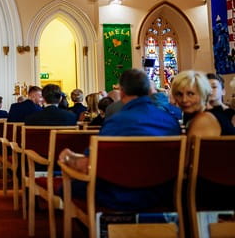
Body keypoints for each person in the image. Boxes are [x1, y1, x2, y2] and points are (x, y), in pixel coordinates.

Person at [58, 69, 181, 211]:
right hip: (163, 193)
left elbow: (91, 162)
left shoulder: (116, 121)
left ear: (122, 91)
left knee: (66, 188)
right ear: (149, 90)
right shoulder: (170, 121)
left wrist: (69, 158)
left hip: (120, 194)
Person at [174, 71, 234, 137]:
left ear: (204, 94)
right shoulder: (209, 114)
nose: (184, 100)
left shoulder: (204, 120)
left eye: (190, 94)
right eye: (179, 94)